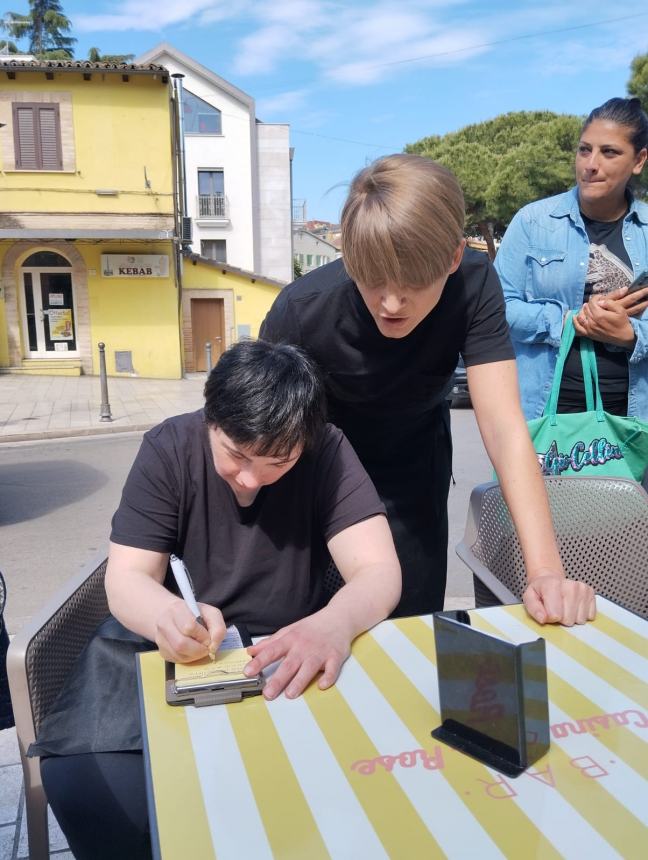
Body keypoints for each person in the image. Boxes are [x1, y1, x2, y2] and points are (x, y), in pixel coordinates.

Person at [33, 339, 401, 860]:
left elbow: (378, 569)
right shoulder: (169, 448)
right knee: (86, 784)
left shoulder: (328, 450)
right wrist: (166, 614)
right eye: (236, 455)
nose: (251, 479)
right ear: (210, 418)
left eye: (277, 462)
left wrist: (334, 623)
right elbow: (129, 577)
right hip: (169, 647)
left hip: (289, 643)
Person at [261, 152, 595, 626]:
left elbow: (503, 426)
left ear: (455, 256)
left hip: (415, 476)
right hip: (316, 478)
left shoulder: (475, 285)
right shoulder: (301, 309)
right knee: (308, 630)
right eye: (372, 281)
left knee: (410, 628)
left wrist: (544, 572)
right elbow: (251, 435)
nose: (391, 303)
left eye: (415, 283)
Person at [495, 97, 648, 420]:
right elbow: (497, 309)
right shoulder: (533, 221)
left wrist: (632, 335)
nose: (591, 164)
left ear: (639, 160)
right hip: (544, 417)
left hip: (634, 421)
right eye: (584, 149)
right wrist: (570, 322)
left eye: (609, 152)